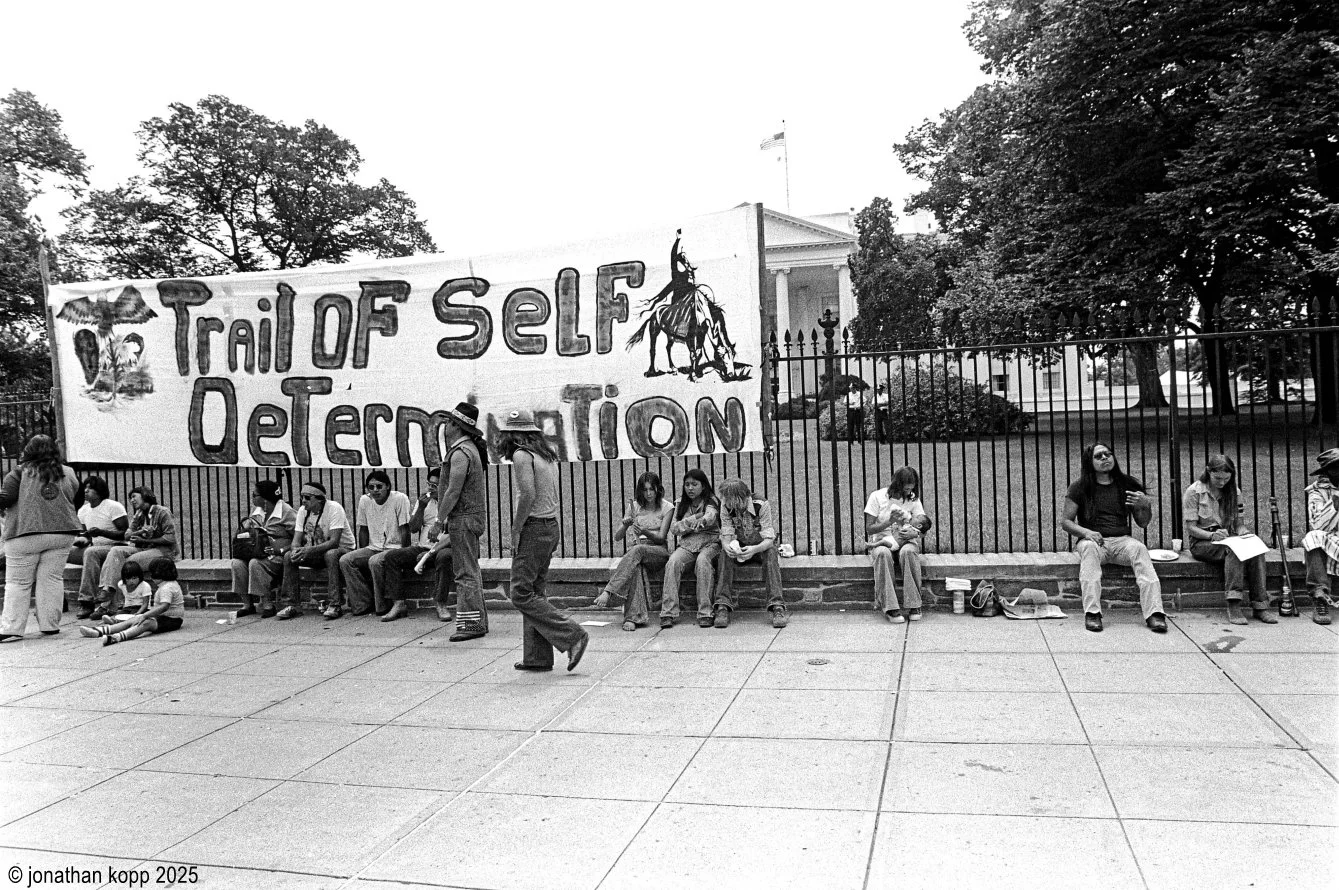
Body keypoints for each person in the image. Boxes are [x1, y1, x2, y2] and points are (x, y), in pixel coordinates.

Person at [500, 410, 588, 672]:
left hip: (534, 528)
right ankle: (537, 657)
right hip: (550, 527)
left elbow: (527, 494)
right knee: (535, 592)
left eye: (506, 433)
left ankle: (573, 635)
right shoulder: (545, 455)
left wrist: (516, 530)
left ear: (514, 434)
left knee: (520, 593)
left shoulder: (521, 455)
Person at [1061, 443, 1168, 633]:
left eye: (1108, 454)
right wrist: (1087, 533)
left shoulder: (1127, 485)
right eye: (1099, 456)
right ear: (1089, 462)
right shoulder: (1079, 487)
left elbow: (1143, 523)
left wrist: (1145, 505)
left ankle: (1155, 614)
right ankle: (1092, 613)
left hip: (1121, 541)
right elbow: (1066, 522)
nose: (1105, 458)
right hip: (1093, 541)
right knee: (1089, 550)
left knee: (1140, 549)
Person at [0, 435, 81, 642]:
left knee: (18, 583)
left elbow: (6, 499)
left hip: (25, 534)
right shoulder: (68, 472)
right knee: (52, 579)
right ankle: (50, 625)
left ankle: (12, 628)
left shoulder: (19, 473)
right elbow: (75, 497)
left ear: (28, 450)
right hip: (62, 533)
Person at [1183, 454, 1276, 625]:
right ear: (1208, 472)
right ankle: (1234, 604)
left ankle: (1260, 605)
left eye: (1226, 479)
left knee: (1256, 550)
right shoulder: (1194, 492)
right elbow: (1191, 528)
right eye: (1217, 478)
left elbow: (1239, 524)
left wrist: (1244, 533)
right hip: (1203, 541)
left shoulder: (1235, 493)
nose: (1221, 483)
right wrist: (1212, 535)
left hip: (1228, 537)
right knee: (1233, 550)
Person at [432, 402, 491, 642]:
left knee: (465, 574)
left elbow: (453, 491)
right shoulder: (469, 449)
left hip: (464, 518)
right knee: (471, 572)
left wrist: (439, 519)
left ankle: (471, 626)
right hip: (470, 517)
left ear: (456, 426)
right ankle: (477, 622)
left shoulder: (460, 453)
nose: (445, 426)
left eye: (448, 422)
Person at [594, 472, 674, 631]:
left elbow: (661, 537)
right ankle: (634, 617)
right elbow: (617, 537)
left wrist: (645, 531)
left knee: (637, 551)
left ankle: (609, 591)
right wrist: (625, 525)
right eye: (645, 490)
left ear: (659, 489)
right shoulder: (634, 506)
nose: (649, 493)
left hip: (658, 551)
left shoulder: (667, 507)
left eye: (652, 489)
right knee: (635, 568)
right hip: (637, 553)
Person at [83, 486, 179, 617]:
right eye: (130, 498)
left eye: (134, 496)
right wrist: (140, 532)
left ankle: (109, 606)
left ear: (145, 495)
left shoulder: (162, 512)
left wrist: (144, 539)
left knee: (127, 563)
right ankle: (107, 589)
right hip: (143, 548)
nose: (131, 500)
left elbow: (170, 537)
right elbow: (127, 535)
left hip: (162, 551)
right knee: (116, 551)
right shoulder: (139, 514)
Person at [379, 467, 454, 622]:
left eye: (435, 485)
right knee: (392, 556)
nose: (430, 488)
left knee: (444, 557)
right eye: (429, 484)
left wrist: (430, 553)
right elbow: (413, 528)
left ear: (446, 486)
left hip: (443, 547)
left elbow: (454, 534)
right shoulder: (424, 502)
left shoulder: (452, 502)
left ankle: (440, 603)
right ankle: (398, 603)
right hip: (423, 547)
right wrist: (420, 507)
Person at [276, 481, 355, 620]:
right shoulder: (302, 511)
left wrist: (308, 551)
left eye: (307, 497)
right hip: (317, 552)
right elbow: (296, 540)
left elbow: (334, 542)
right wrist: (296, 550)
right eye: (302, 497)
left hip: (342, 550)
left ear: (319, 499)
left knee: (331, 554)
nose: (303, 501)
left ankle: (335, 604)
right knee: (289, 556)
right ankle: (291, 604)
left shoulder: (334, 508)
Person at [715, 478, 788, 628]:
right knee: (724, 555)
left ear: (737, 499)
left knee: (771, 554)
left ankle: (777, 606)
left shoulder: (761, 504)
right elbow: (726, 532)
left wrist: (754, 550)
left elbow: (769, 539)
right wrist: (727, 545)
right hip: (740, 546)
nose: (724, 501)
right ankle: (722, 606)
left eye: (727, 498)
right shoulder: (725, 506)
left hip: (760, 546)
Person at [864, 466, 933, 623]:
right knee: (882, 553)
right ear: (897, 483)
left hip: (906, 540)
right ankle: (890, 607)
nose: (909, 491)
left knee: (908, 552)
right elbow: (869, 529)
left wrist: (914, 533)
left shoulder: (913, 500)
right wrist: (890, 521)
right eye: (906, 487)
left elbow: (923, 528)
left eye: (912, 487)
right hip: (883, 539)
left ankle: (914, 604)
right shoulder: (877, 497)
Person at [339, 470, 411, 617]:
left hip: (394, 547)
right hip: (374, 547)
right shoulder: (365, 501)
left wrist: (404, 553)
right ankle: (362, 603)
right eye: (371, 487)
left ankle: (382, 606)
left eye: (379, 486)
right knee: (346, 560)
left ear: (388, 486)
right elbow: (363, 530)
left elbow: (405, 529)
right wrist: (362, 550)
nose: (375, 490)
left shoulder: (399, 499)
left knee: (375, 561)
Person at [660, 468, 722, 629]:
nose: (690, 488)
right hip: (688, 544)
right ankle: (668, 612)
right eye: (687, 484)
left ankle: (705, 613)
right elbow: (674, 529)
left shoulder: (711, 501)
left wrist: (702, 519)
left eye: (694, 484)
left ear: (703, 486)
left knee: (702, 562)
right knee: (673, 562)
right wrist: (694, 518)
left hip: (710, 543)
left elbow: (711, 516)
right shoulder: (680, 503)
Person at [229, 479, 297, 619]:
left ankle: (267, 604)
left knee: (255, 563)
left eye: (255, 495)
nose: (252, 497)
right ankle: (247, 605)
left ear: (265, 498)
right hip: (257, 552)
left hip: (277, 557)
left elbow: (300, 538)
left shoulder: (286, 512)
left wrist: (282, 550)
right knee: (237, 563)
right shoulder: (257, 511)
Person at [78, 557, 184, 645]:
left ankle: (117, 637)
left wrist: (145, 615)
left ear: (160, 575)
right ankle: (100, 630)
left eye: (153, 575)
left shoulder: (167, 588)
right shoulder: (168, 584)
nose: (151, 578)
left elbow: (164, 606)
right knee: (134, 619)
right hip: (164, 617)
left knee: (145, 623)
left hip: (172, 620)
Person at [71, 475, 129, 618]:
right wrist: (82, 539)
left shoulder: (113, 507)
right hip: (94, 547)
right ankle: (59, 598)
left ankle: (86, 601)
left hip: (114, 546)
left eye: (90, 488)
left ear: (100, 491)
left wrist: (102, 532)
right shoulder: (83, 511)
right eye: (85, 488)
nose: (86, 491)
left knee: (91, 553)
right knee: (59, 554)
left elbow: (125, 534)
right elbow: (87, 535)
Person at [1303, 447, 1339, 626]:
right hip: (1332, 537)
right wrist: (1334, 508)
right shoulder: (1317, 492)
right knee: (1313, 537)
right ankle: (1320, 596)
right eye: (1336, 468)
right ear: (1327, 472)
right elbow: (1317, 524)